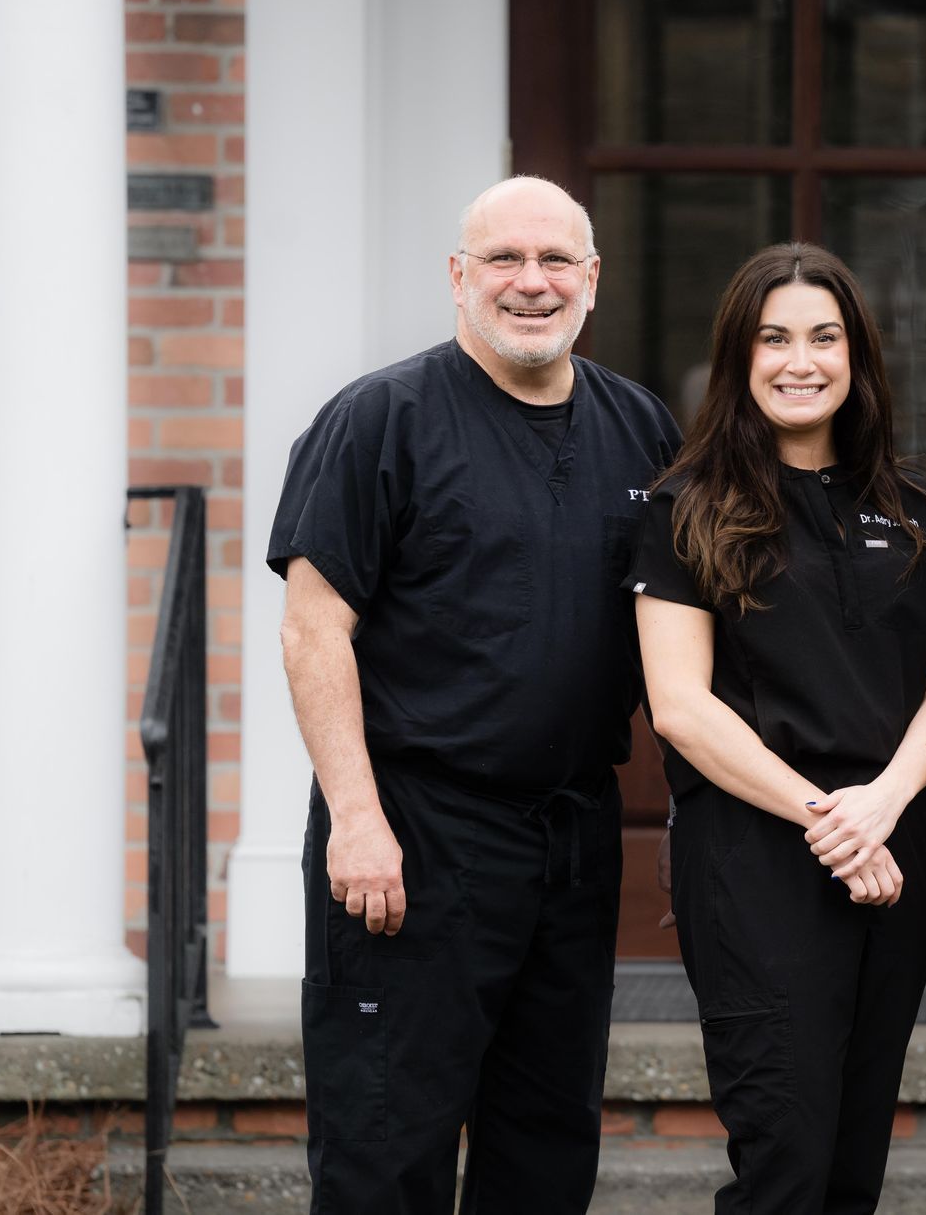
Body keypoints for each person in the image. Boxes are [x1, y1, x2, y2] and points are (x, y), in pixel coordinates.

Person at [268, 176, 681, 1214]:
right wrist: (355, 820)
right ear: (459, 278)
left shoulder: (641, 429)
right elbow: (314, 630)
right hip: (414, 837)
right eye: (504, 260)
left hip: (574, 836)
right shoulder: (379, 421)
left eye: (555, 263)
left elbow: (684, 637)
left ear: (593, 281)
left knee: (545, 1152)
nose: (530, 284)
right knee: (384, 1149)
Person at [626, 243, 926, 1214]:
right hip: (758, 851)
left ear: (858, 357)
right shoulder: (683, 507)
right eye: (774, 338)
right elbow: (682, 708)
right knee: (783, 1158)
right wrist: (830, 817)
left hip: (892, 843)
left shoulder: (916, 508)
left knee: (851, 1163)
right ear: (739, 357)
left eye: (824, 337)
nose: (800, 360)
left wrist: (885, 803)